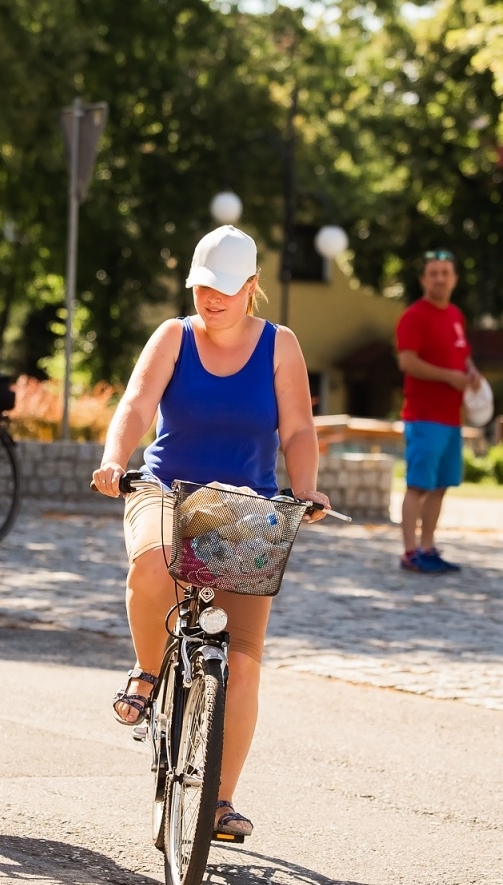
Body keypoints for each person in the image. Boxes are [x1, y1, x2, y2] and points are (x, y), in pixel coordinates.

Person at [90, 225, 330, 839]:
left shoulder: (280, 346)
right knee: (151, 566)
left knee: (244, 667)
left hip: (244, 508)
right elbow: (137, 404)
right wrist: (117, 458)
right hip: (165, 493)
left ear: (252, 287)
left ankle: (218, 802)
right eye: (202, 286)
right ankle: (148, 671)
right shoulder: (174, 337)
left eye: (225, 288)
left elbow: (298, 429)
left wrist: (304, 488)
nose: (211, 298)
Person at [395, 249, 480, 574]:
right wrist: (450, 377)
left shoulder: (456, 316)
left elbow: (463, 356)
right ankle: (409, 552)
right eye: (434, 273)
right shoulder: (415, 316)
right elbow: (407, 361)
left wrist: (472, 373)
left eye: (445, 272)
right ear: (424, 279)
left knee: (441, 485)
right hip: (423, 416)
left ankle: (428, 547)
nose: (440, 278)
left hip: (451, 418)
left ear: (454, 279)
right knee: (418, 485)